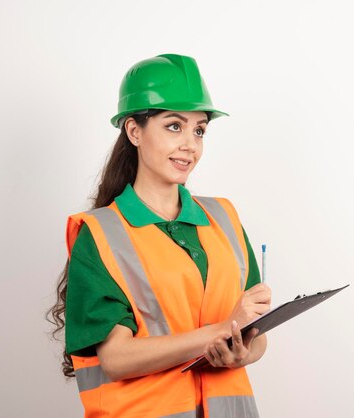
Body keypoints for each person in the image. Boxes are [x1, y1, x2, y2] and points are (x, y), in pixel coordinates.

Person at [48, 53, 272, 418]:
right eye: (174, 126)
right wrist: (216, 332)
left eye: (199, 130)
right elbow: (117, 359)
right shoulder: (100, 234)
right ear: (134, 131)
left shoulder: (224, 219)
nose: (190, 144)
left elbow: (255, 332)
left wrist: (244, 351)